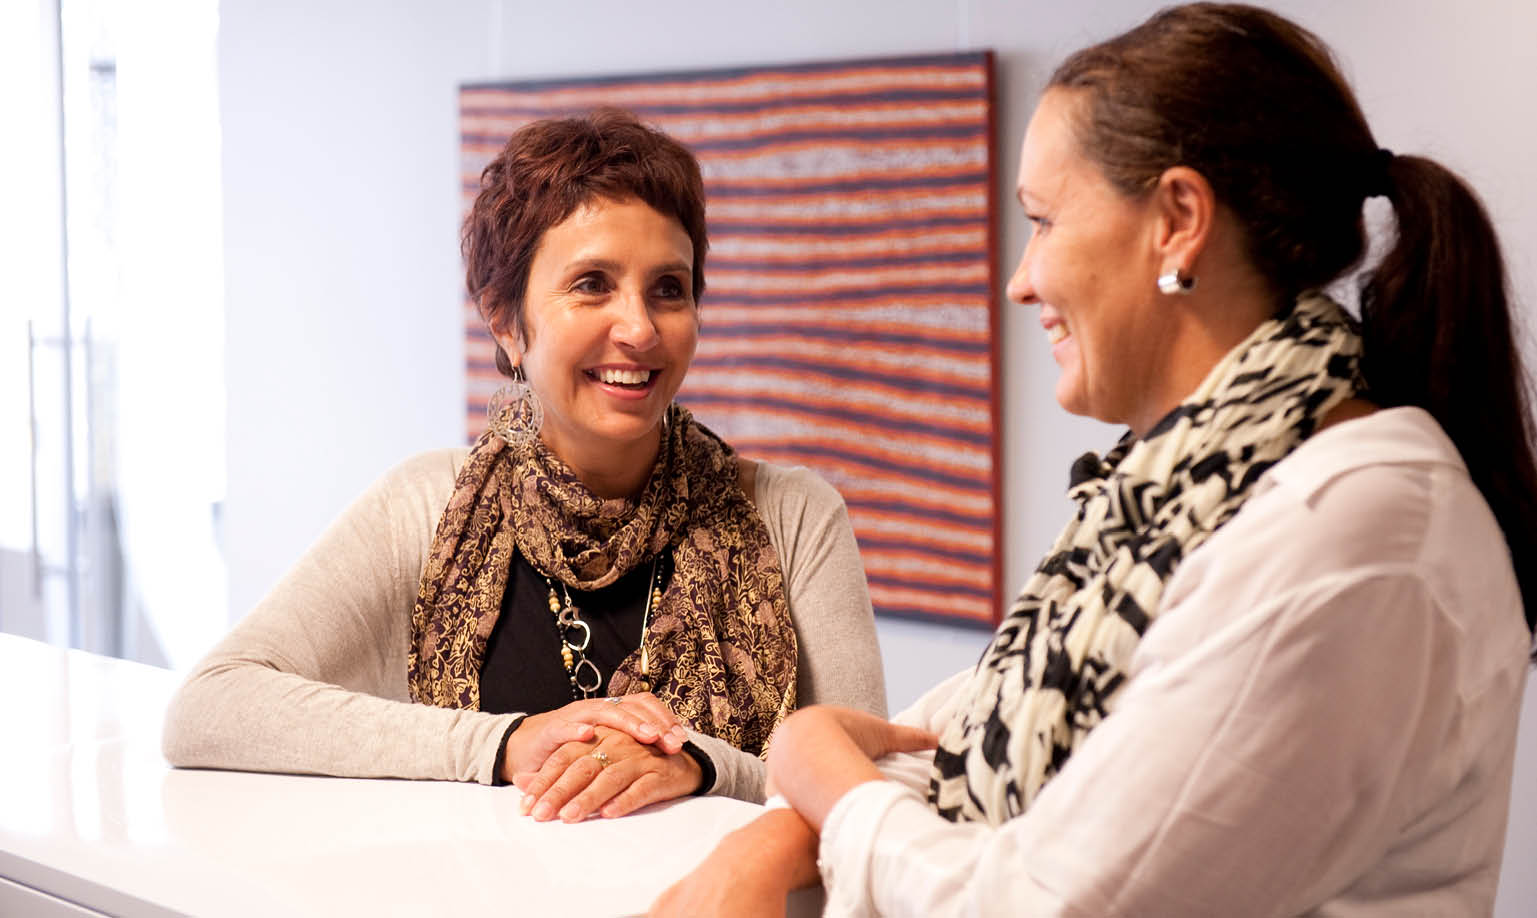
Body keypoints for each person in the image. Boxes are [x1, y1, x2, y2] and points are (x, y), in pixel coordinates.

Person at [651, 4, 1537, 915]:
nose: (1019, 279)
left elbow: (1042, 902)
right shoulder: (1169, 497)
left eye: (1042, 220)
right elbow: (942, 742)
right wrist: (785, 822)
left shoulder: (1356, 527)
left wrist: (813, 765)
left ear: (1178, 220)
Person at [162, 109, 887, 824]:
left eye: (668, 288)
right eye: (592, 284)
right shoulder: (424, 507)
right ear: (506, 321)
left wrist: (702, 766)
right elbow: (210, 706)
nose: (638, 328)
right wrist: (509, 742)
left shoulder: (794, 514)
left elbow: (872, 795)